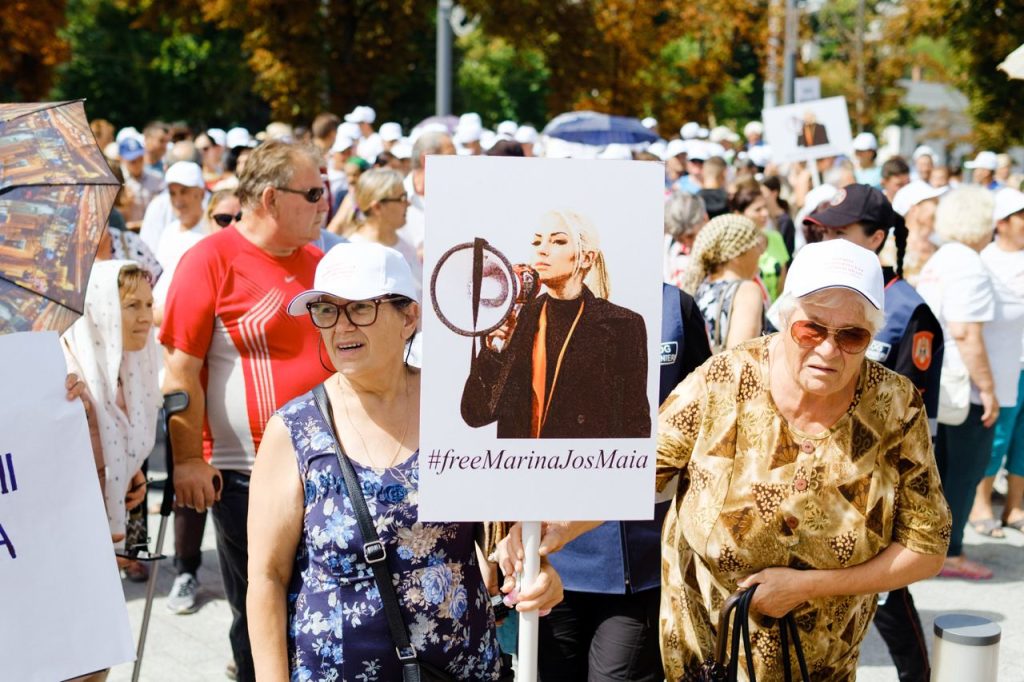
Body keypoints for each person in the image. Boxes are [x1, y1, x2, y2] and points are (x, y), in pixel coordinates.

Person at [497, 239, 952, 679]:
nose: (828, 349)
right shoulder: (726, 378)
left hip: (822, 663)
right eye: (811, 329)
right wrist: (561, 527)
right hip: (707, 654)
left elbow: (926, 548)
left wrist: (809, 587)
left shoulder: (895, 406)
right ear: (785, 319)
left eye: (852, 336)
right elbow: (641, 471)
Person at [246, 242, 562, 680]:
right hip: (337, 669)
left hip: (459, 668)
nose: (341, 326)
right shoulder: (295, 429)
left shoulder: (460, 412)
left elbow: (506, 532)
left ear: (409, 317)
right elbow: (266, 578)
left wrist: (538, 572)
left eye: (360, 308)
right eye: (327, 310)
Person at [160, 140, 335, 681]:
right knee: (261, 611)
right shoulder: (209, 260)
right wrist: (188, 460)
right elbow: (179, 373)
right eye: (312, 193)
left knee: (322, 608)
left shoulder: (321, 264)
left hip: (330, 468)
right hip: (247, 474)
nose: (324, 203)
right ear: (269, 198)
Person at [803, 183, 945, 682]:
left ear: (877, 238)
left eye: (842, 232)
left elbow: (911, 414)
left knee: (886, 596)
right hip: (816, 474)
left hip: (874, 483)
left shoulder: (907, 310)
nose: (829, 241)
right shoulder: (815, 298)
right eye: (824, 232)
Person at [535, 282, 712, 682]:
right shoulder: (538, 305)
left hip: (640, 561)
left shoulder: (674, 307)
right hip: (550, 554)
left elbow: (705, 421)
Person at [460, 209, 650, 438]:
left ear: (587, 258)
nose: (542, 249)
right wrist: (495, 353)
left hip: (583, 460)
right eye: (537, 241)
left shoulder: (623, 325)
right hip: (522, 461)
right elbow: (476, 414)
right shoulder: (517, 318)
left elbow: (635, 423)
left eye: (558, 241)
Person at [917, 186, 1024, 579]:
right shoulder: (968, 264)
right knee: (963, 473)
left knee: (948, 471)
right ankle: (950, 554)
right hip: (966, 389)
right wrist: (989, 390)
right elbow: (965, 332)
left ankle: (938, 549)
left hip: (946, 384)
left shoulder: (946, 258)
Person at [61, 261, 160, 563]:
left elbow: (117, 440)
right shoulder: (66, 374)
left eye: (149, 304)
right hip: (70, 537)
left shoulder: (129, 369)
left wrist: (132, 472)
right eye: (132, 305)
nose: (146, 317)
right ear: (99, 311)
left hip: (110, 535)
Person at [970, 189, 1024, 538]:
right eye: (1021, 216)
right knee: (997, 436)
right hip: (1002, 362)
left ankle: (1015, 505)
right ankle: (981, 504)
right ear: (1002, 223)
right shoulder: (984, 260)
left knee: (1022, 438)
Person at [683, 214, 766, 353]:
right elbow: (739, 358)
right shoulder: (746, 291)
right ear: (737, 253)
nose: (760, 253)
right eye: (755, 245)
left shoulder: (698, 288)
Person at [344, 168, 421, 294]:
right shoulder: (353, 251)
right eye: (402, 198)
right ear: (377, 207)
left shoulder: (408, 241)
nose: (408, 203)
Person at [152, 162, 210, 315]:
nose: (178, 200)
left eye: (184, 192)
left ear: (201, 193)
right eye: (173, 193)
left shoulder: (211, 232)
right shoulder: (169, 231)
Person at [731, 178, 789, 302]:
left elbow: (783, 283)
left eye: (765, 207)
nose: (765, 213)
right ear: (739, 214)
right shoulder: (734, 248)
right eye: (757, 210)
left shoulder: (775, 238)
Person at [399, 131, 456, 250]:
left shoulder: (456, 199)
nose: (458, 163)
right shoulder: (392, 199)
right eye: (451, 157)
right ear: (426, 159)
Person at [663, 191, 708, 288]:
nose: (687, 245)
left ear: (705, 219)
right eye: (680, 240)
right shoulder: (668, 245)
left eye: (691, 236)